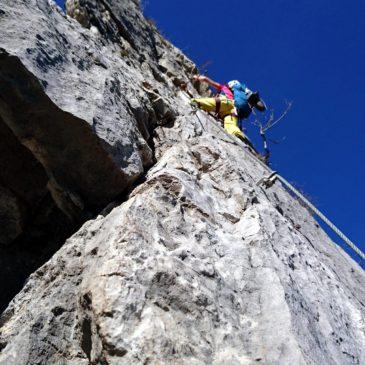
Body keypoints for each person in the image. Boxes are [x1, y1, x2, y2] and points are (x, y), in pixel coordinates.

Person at [191, 75, 266, 141]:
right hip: (234, 112)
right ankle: (238, 134)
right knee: (231, 126)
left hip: (227, 103)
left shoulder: (224, 88)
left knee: (211, 102)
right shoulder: (241, 93)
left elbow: (208, 80)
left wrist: (197, 77)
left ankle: (195, 102)